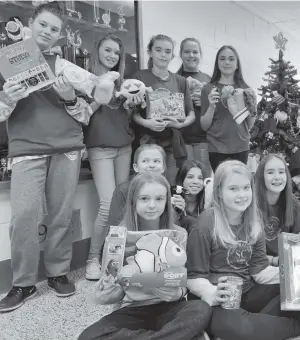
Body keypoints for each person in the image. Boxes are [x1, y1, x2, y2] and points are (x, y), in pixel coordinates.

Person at [0, 2, 93, 312]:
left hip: (66, 147)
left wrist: (70, 98)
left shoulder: (67, 67)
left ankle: (58, 272)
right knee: (24, 217)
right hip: (27, 148)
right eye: (43, 25)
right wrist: (8, 100)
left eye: (54, 28)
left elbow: (85, 115)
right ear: (31, 24)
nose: (48, 32)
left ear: (60, 34)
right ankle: (23, 283)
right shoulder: (9, 61)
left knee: (61, 214)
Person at [186, 160, 300, 340]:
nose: (242, 195)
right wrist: (213, 293)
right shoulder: (206, 223)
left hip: (248, 292)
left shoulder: (254, 221)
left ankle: (250, 326)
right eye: (233, 189)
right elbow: (193, 278)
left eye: (246, 188)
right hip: (218, 300)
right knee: (236, 327)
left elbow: (259, 271)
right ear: (219, 192)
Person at [78, 173, 212, 340]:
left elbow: (184, 281)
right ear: (133, 201)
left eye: (159, 199)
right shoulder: (118, 238)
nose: (151, 205)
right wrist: (107, 286)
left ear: (167, 201)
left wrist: (177, 293)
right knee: (88, 336)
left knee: (200, 309)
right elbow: (110, 296)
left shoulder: (180, 234)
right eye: (144, 199)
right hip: (133, 309)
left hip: (170, 307)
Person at [84, 34, 134, 280]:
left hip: (124, 147)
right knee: (107, 204)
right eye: (108, 50)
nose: (113, 56)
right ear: (97, 50)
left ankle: (113, 257)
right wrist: (97, 99)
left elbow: (127, 117)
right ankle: (92, 258)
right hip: (100, 149)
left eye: (117, 52)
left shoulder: (124, 83)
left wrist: (131, 103)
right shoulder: (86, 80)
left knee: (121, 204)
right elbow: (81, 115)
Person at [131, 34, 195, 185]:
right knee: (147, 185)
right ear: (150, 52)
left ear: (172, 55)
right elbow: (131, 113)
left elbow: (191, 113)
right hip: (147, 142)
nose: (163, 54)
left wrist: (181, 124)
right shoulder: (138, 77)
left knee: (171, 185)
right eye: (158, 50)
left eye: (167, 51)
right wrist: (147, 123)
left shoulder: (181, 81)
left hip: (173, 144)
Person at [201, 45, 255, 171]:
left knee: (237, 184)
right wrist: (211, 105)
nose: (227, 62)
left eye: (231, 59)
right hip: (216, 147)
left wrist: (252, 107)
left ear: (237, 64)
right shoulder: (208, 89)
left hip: (241, 146)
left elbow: (249, 125)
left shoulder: (246, 89)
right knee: (221, 185)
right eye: (222, 59)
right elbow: (204, 126)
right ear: (217, 63)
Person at [254, 154, 300, 265]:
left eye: (281, 172)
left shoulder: (292, 201)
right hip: (258, 266)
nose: (277, 177)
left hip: (285, 262)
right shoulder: (251, 203)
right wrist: (275, 261)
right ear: (261, 176)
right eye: (270, 172)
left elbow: (297, 237)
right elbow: (247, 253)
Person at [176, 38, 212, 176]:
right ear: (181, 54)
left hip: (204, 140)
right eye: (187, 52)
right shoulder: (174, 78)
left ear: (200, 54)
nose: (191, 55)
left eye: (195, 52)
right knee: (183, 181)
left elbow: (218, 111)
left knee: (204, 180)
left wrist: (206, 104)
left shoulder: (209, 80)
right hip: (180, 140)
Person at [172, 160, 209, 232]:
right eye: (190, 177)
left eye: (200, 178)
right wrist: (174, 212)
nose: (196, 182)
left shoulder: (208, 201)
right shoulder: (173, 200)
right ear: (182, 179)